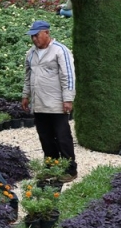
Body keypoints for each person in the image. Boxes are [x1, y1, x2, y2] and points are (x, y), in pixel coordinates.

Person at [21, 20, 78, 181]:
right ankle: (51, 166)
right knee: (45, 137)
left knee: (62, 136)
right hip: (39, 104)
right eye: (32, 36)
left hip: (56, 103)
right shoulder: (31, 53)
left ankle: (70, 170)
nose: (34, 39)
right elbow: (27, 76)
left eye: (37, 35)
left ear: (46, 33)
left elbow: (68, 76)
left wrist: (68, 99)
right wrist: (25, 95)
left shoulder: (60, 51)